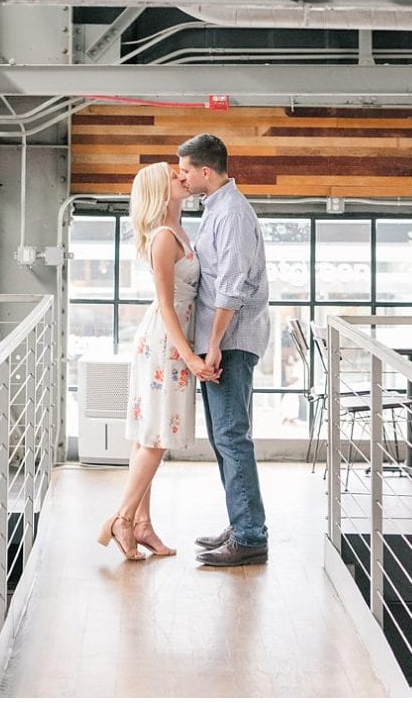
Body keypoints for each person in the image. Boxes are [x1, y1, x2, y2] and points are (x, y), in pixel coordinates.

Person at [98, 161, 217, 561]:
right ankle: (123, 518)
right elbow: (166, 304)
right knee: (156, 436)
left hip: (169, 337)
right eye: (174, 175)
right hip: (166, 339)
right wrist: (190, 356)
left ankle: (142, 525)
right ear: (159, 190)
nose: (183, 177)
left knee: (149, 433)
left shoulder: (179, 231)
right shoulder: (164, 237)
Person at [176, 132, 271, 568]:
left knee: (232, 436)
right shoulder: (217, 209)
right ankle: (241, 523)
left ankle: (250, 534)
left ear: (206, 172)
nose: (183, 177)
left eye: (186, 171)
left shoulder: (231, 213)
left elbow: (231, 288)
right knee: (224, 437)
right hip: (222, 341)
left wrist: (212, 345)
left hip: (229, 342)